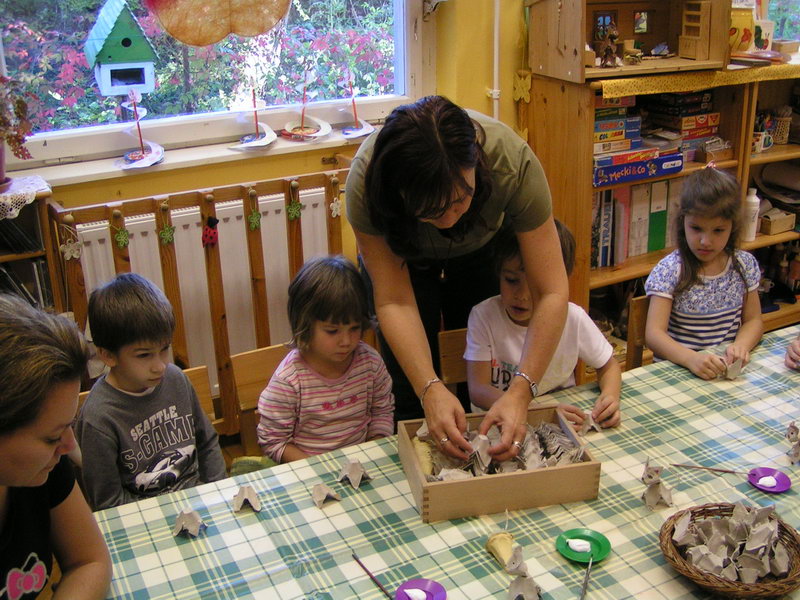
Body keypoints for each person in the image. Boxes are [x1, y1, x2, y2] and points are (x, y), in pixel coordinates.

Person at [346, 95, 569, 462]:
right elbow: (394, 301)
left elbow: (552, 291)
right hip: (404, 260)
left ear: (476, 164)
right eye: (431, 211)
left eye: (459, 200)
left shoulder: (512, 163)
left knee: (476, 379)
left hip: (482, 250)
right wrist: (429, 388)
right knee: (412, 393)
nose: (449, 219)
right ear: (399, 194)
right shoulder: (366, 183)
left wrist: (520, 391)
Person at [75, 273, 227, 510]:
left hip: (199, 500)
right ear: (107, 355)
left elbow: (206, 442)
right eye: (144, 355)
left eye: (164, 349)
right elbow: (108, 502)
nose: (160, 366)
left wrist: (217, 490)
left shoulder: (176, 379)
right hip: (146, 517)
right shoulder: (97, 418)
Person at [0, 294, 111, 600]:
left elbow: (89, 561)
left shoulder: (42, 467)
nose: (69, 445)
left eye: (68, 425)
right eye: (51, 437)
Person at [465, 222, 621, 428]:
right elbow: (478, 390)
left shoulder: (572, 317)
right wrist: (539, 412)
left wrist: (610, 397)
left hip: (561, 422)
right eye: (511, 280)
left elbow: (609, 366)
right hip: (498, 423)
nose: (522, 295)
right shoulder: (484, 316)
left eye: (536, 285)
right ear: (499, 273)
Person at [257, 256, 395, 463]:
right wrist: (320, 468)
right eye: (332, 331)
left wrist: (372, 451)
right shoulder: (289, 381)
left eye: (354, 328)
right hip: (310, 469)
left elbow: (382, 412)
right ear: (304, 323)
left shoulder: (371, 363)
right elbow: (273, 441)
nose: (346, 341)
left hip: (362, 464)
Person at [645, 167, 763, 379]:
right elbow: (654, 334)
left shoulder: (743, 265)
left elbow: (754, 320)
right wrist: (691, 359)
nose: (706, 241)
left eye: (718, 230)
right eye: (696, 228)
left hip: (722, 373)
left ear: (733, 227)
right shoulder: (670, 270)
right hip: (678, 373)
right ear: (683, 222)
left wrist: (741, 345)